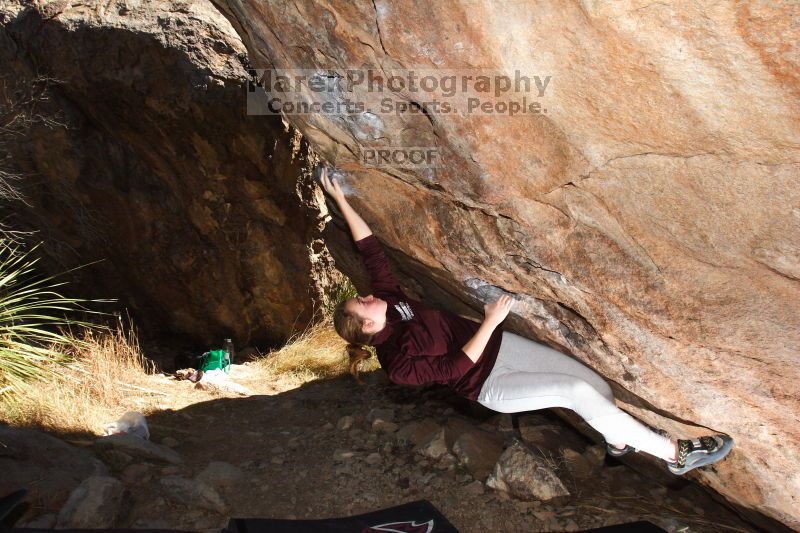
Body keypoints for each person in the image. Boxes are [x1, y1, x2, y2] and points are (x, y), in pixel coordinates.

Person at [319, 164, 733, 476]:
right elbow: (455, 367)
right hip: (490, 384)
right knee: (574, 391)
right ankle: (677, 454)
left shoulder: (391, 302)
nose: (369, 296)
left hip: (506, 349)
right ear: (368, 327)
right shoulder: (398, 364)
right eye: (363, 303)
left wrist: (340, 199)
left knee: (597, 388)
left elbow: (370, 250)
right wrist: (490, 320)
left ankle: (619, 440)